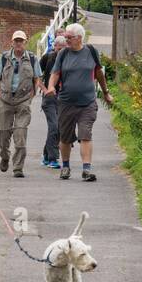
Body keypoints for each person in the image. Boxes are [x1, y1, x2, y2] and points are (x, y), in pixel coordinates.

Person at [45, 22, 113, 182]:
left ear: (79, 38)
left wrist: (106, 93)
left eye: (69, 37)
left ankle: (86, 169)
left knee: (85, 134)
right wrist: (51, 86)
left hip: (87, 102)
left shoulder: (90, 51)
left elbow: (99, 73)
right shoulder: (63, 54)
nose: (66, 40)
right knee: (66, 137)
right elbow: (55, 73)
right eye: (65, 37)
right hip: (66, 102)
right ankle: (66, 167)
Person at [0, 29, 42, 177]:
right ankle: (4, 156)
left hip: (23, 101)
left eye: (21, 41)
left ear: (25, 42)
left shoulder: (32, 59)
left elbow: (37, 79)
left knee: (20, 135)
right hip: (5, 101)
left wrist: (31, 97)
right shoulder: (4, 58)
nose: (18, 43)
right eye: (16, 40)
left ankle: (18, 167)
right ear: (12, 42)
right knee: (3, 134)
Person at [39, 32, 66, 169]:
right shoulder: (47, 58)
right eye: (59, 48)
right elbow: (37, 75)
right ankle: (53, 158)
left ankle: (45, 154)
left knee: (58, 128)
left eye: (63, 48)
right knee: (54, 126)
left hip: (64, 98)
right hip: (49, 98)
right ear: (54, 46)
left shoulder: (68, 59)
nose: (61, 50)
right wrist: (45, 89)